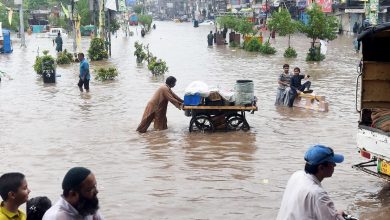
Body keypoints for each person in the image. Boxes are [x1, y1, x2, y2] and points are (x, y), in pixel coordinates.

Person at [276, 145, 345, 220]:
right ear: (321, 168)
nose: (335, 165)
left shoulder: (297, 175)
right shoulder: (318, 194)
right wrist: (337, 215)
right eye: (332, 163)